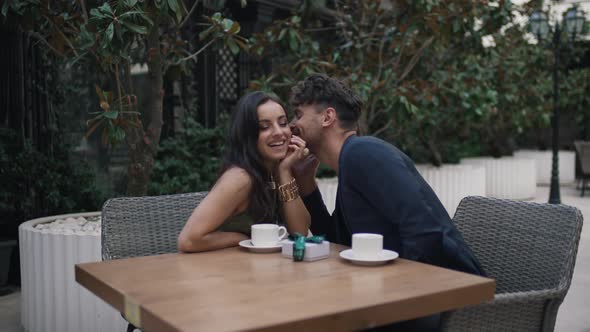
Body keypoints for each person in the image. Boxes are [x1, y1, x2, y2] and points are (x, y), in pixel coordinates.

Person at [289, 74, 485, 330]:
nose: (293, 125)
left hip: (450, 304)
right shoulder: (350, 163)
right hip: (416, 297)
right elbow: (336, 241)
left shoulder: (364, 153)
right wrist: (306, 184)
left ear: (327, 117)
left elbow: (425, 231)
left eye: (298, 115)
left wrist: (394, 296)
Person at [178, 91, 311, 252]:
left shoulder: (276, 170)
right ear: (248, 135)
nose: (278, 132)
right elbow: (188, 240)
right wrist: (246, 239)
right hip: (218, 271)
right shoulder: (240, 178)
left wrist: (285, 172)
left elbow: (300, 233)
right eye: (264, 127)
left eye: (283, 123)